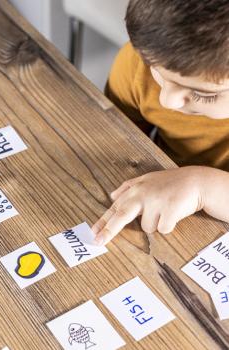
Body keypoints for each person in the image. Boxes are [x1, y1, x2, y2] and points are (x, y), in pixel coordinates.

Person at [92, 0, 229, 245]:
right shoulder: (138, 65)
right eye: (155, 70)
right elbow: (116, 136)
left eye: (204, 94)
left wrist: (203, 187)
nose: (167, 101)